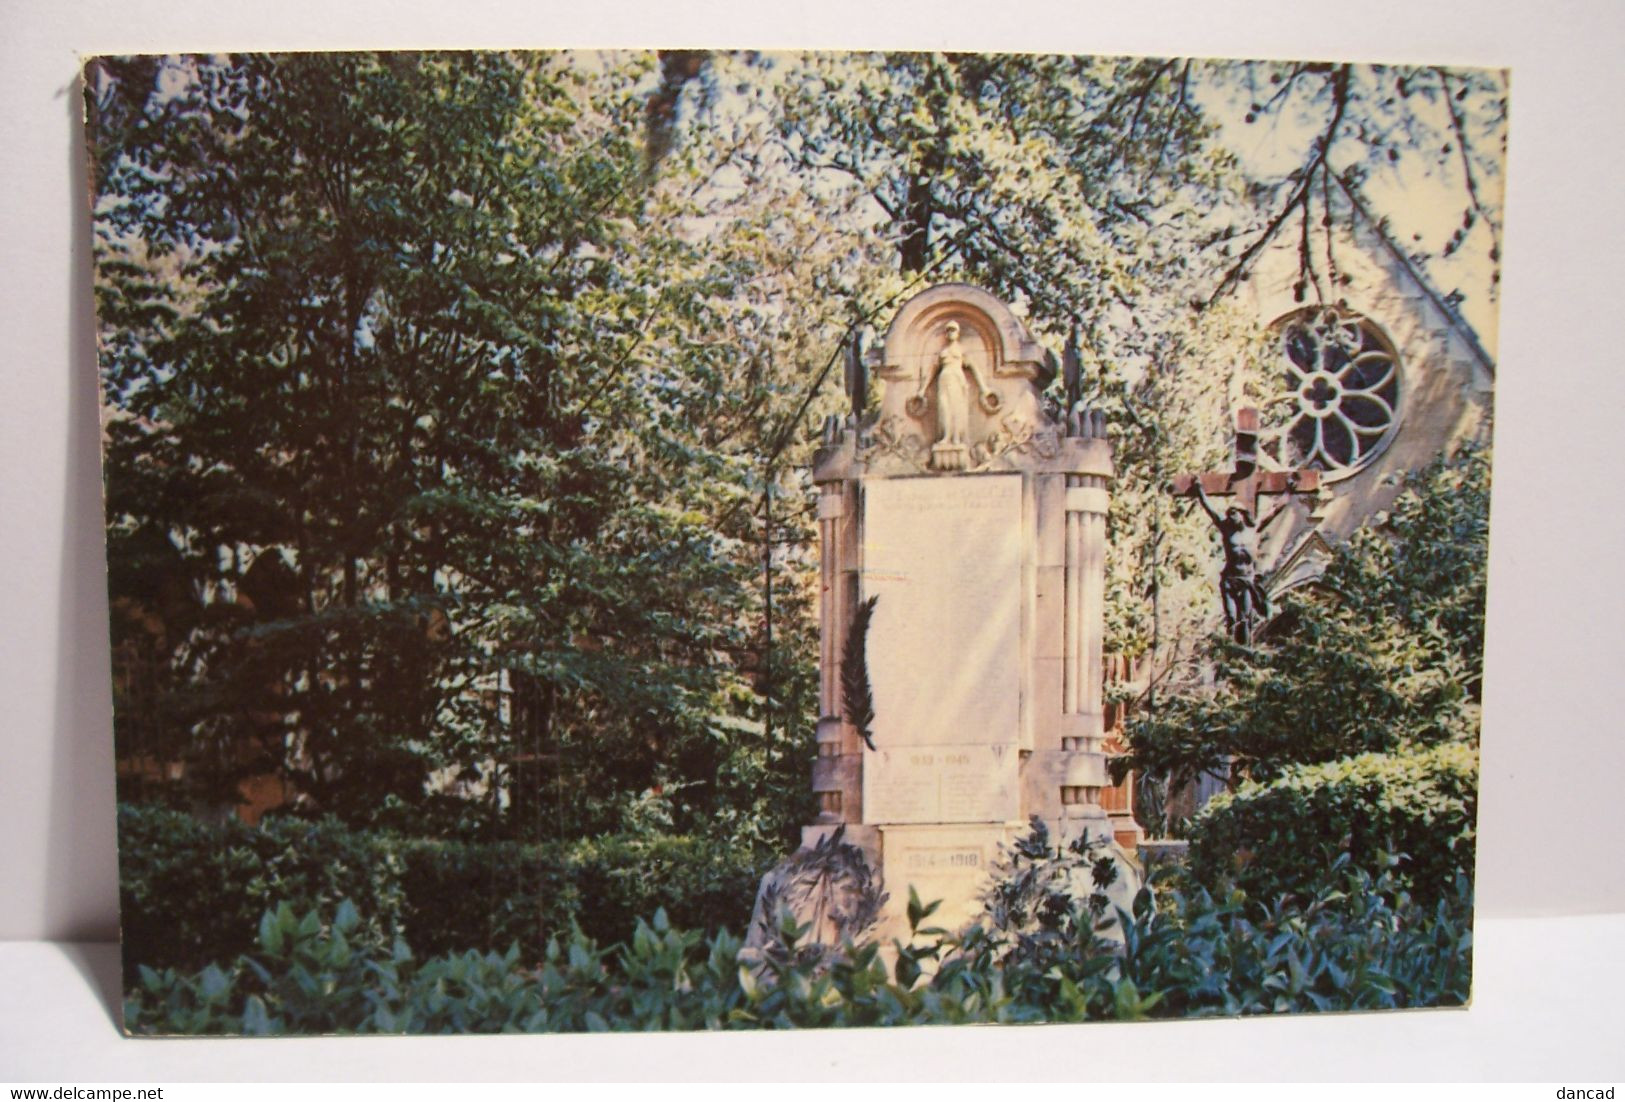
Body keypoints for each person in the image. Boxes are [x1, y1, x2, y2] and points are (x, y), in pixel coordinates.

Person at [1186, 475, 1300, 644]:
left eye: (1235, 514)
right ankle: (1232, 641)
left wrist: (1288, 492)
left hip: (1246, 580)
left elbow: (1275, 509)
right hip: (1230, 579)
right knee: (1232, 617)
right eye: (1230, 514)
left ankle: (1245, 646)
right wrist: (1200, 490)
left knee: (1245, 616)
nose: (1232, 517)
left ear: (1242, 514)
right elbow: (1209, 509)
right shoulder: (1225, 528)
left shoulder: (1253, 528)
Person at [916, 320, 997, 448]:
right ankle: (945, 436)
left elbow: (974, 368)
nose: (951, 332)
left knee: (956, 408)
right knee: (944, 408)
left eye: (953, 330)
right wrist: (922, 389)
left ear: (958, 333)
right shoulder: (942, 352)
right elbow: (932, 371)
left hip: (957, 378)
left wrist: (984, 388)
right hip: (943, 379)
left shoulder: (961, 350)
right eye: (948, 330)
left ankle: (956, 438)